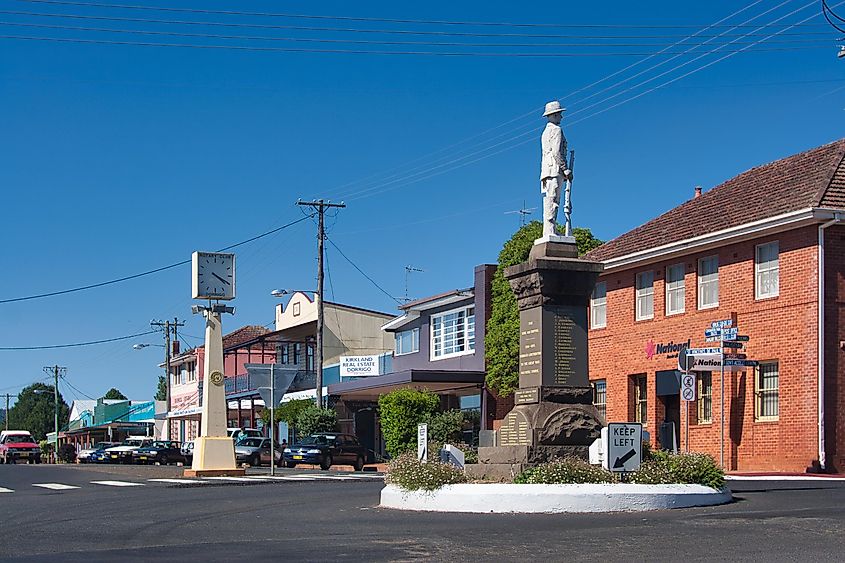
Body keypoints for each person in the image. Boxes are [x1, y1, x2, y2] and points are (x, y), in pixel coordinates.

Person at [539, 100, 572, 239]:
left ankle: (549, 229)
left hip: (546, 171)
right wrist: (565, 169)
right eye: (559, 114)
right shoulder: (556, 130)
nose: (561, 117)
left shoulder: (545, 132)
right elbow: (557, 152)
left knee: (549, 199)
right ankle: (549, 230)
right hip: (554, 169)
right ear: (553, 115)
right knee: (553, 200)